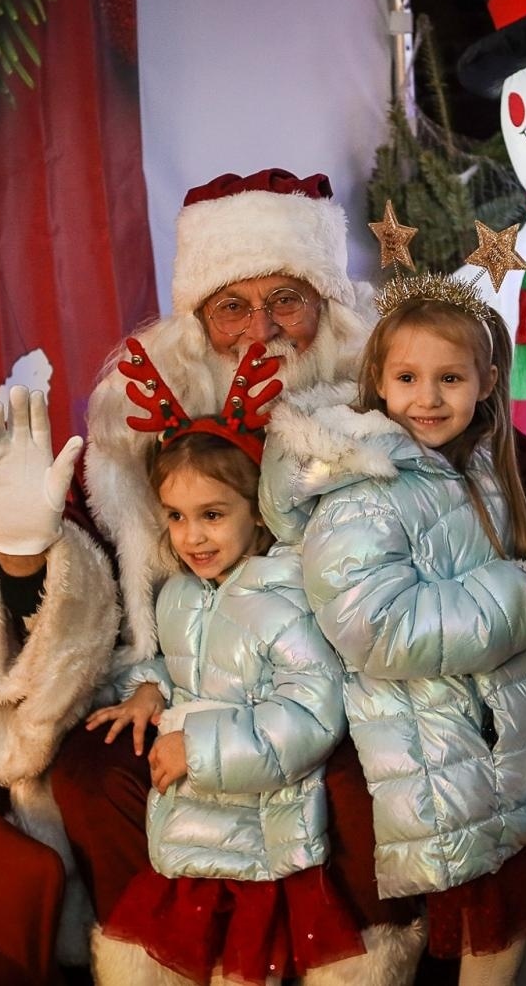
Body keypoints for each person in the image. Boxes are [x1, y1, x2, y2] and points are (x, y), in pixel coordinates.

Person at [0, 168, 526, 969]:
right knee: (96, 778)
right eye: (233, 304)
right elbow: (82, 579)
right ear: (196, 320)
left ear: (325, 305)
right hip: (189, 678)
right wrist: (24, 551)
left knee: (369, 788)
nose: (262, 329)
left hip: (356, 678)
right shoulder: (138, 422)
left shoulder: (386, 396)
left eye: (286, 298)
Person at [261, 274, 526, 984]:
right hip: (447, 758)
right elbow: (377, 627)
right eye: (408, 377)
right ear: (379, 384)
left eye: (449, 378)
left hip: (519, 742)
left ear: (484, 382)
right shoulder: (364, 491)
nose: (428, 397)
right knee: (496, 945)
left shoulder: (480, 466)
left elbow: (508, 557)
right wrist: (518, 593)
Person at [83, 340, 392, 984]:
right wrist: (147, 690)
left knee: (251, 966)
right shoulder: (178, 596)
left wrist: (198, 748)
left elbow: (309, 711)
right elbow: (183, 670)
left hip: (265, 841)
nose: (192, 536)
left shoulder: (284, 597)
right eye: (176, 517)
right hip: (191, 840)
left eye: (213, 515)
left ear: (256, 511)